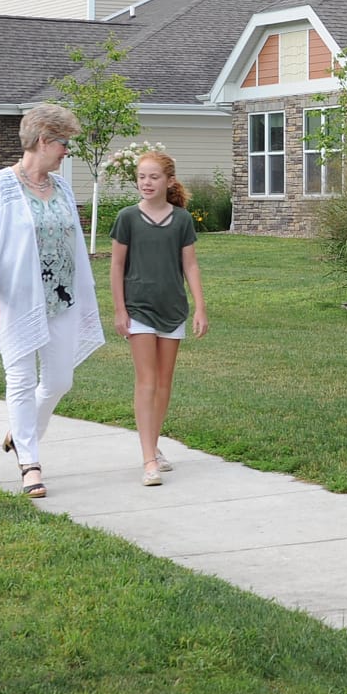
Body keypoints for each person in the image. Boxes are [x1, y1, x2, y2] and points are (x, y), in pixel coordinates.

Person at [0, 102, 105, 499]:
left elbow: (73, 242)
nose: (67, 151)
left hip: (61, 298)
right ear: (44, 140)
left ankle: (20, 432)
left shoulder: (62, 187)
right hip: (15, 299)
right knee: (21, 379)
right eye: (64, 143)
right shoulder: (1, 185)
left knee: (60, 379)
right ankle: (30, 463)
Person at [109, 150, 207, 486]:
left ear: (169, 180)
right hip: (139, 308)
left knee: (164, 384)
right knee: (147, 382)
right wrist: (120, 309)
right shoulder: (127, 218)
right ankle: (149, 459)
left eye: (153, 177)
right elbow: (117, 266)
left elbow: (190, 265)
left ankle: (153, 443)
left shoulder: (182, 220)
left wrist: (200, 307)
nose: (146, 183)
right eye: (141, 177)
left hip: (172, 309)